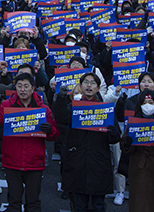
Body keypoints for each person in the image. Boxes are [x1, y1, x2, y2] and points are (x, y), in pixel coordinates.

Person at [0, 72, 58, 212]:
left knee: (33, 202)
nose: (23, 90)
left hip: (34, 162)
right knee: (14, 202)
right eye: (19, 86)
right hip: (12, 161)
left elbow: (54, 136)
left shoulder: (43, 109)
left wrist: (50, 130)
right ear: (15, 88)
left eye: (26, 86)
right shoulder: (6, 105)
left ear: (33, 88)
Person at [52, 71, 121, 212]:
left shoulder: (105, 110)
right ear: (80, 86)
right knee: (79, 205)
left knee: (98, 205)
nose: (89, 86)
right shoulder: (72, 106)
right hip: (77, 160)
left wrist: (114, 134)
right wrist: (61, 97)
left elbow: (114, 138)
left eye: (93, 83)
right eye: (86, 83)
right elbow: (60, 118)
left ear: (98, 87)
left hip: (98, 162)